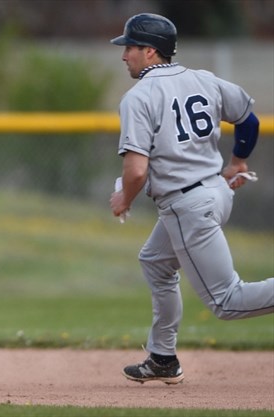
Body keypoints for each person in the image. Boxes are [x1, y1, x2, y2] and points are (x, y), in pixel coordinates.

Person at [109, 13, 274, 384]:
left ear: (150, 51)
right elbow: (248, 120)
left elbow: (136, 171)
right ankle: (163, 358)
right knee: (155, 261)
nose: (125, 56)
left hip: (187, 206)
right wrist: (238, 160)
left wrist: (125, 200)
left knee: (227, 301)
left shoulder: (139, 96)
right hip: (214, 192)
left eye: (131, 47)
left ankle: (164, 357)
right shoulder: (203, 79)